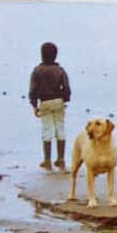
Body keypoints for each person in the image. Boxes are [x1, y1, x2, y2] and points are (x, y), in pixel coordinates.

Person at [28, 42, 71, 171]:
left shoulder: (37, 71)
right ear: (55, 55)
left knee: (47, 129)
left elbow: (33, 90)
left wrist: (34, 105)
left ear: (41, 55)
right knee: (60, 128)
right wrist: (65, 100)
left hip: (45, 102)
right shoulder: (60, 70)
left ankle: (47, 160)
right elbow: (67, 88)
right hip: (58, 101)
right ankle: (61, 159)